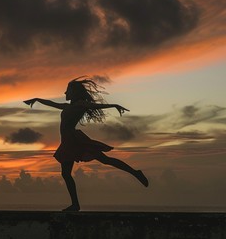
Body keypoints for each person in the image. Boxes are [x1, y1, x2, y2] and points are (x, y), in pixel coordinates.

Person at [24, 77, 148, 211]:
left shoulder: (80, 104)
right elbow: (51, 103)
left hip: (75, 140)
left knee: (104, 160)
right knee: (66, 174)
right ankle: (75, 205)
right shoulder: (67, 106)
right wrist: (37, 99)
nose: (65, 93)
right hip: (67, 142)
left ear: (74, 92)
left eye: (67, 91)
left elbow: (95, 106)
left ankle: (135, 173)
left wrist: (114, 105)